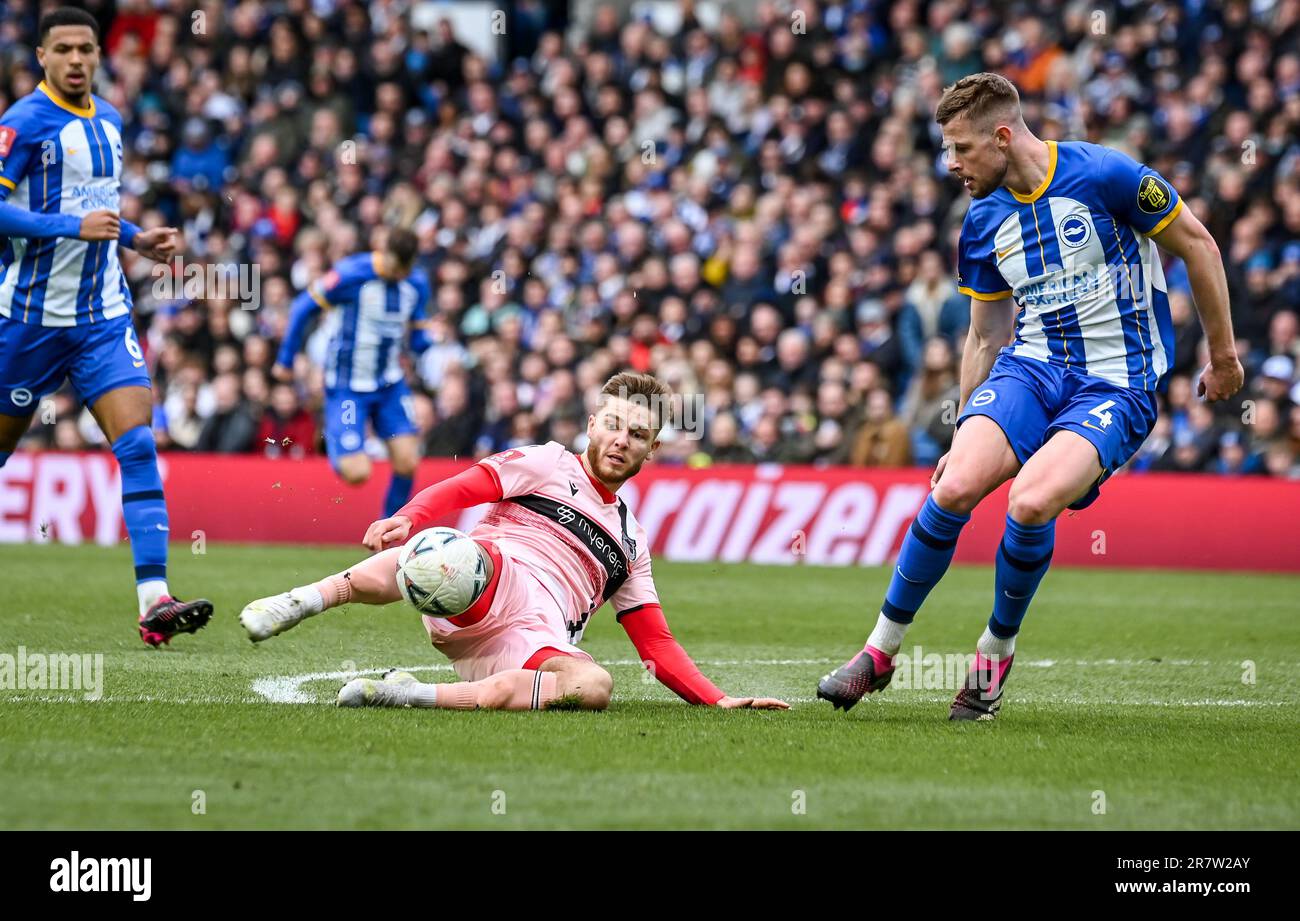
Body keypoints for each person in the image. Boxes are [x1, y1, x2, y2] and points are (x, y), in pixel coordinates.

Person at [818, 73, 1244, 720]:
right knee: (954, 485)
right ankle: (878, 652)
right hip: (1032, 369)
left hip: (1116, 381)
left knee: (1031, 500)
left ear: (1002, 135)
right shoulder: (983, 219)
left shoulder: (1107, 175)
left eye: (961, 148)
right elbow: (986, 334)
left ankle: (991, 661)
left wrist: (1223, 355)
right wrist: (964, 425)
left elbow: (1199, 246)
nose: (951, 163)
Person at [239, 372, 789, 713]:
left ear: (651, 451)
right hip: (482, 579)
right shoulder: (549, 462)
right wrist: (409, 515)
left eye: (638, 435)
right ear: (593, 424)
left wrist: (718, 700)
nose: (622, 440)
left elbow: (656, 645)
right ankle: (301, 600)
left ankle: (410, 696)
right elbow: (467, 485)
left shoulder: (631, 542)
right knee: (447, 554)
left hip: (521, 647)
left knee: (592, 686)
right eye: (614, 425)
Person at [0, 7, 212, 646]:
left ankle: (154, 602)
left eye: (85, 49)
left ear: (99, 54)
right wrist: (69, 229)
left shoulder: (113, 121)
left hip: (101, 318)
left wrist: (139, 239)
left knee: (138, 444)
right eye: (61, 48)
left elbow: (98, 212)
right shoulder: (23, 122)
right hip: (28, 321)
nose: (74, 60)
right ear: (40, 56)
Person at [274, 225, 430, 517]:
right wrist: (285, 359)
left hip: (389, 386)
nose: (400, 276)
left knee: (408, 461)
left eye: (405, 271)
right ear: (387, 254)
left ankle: (388, 533)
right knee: (356, 473)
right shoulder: (351, 274)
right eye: (397, 268)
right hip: (348, 387)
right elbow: (301, 308)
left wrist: (426, 342)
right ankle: (333, 434)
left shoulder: (416, 283)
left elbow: (418, 330)